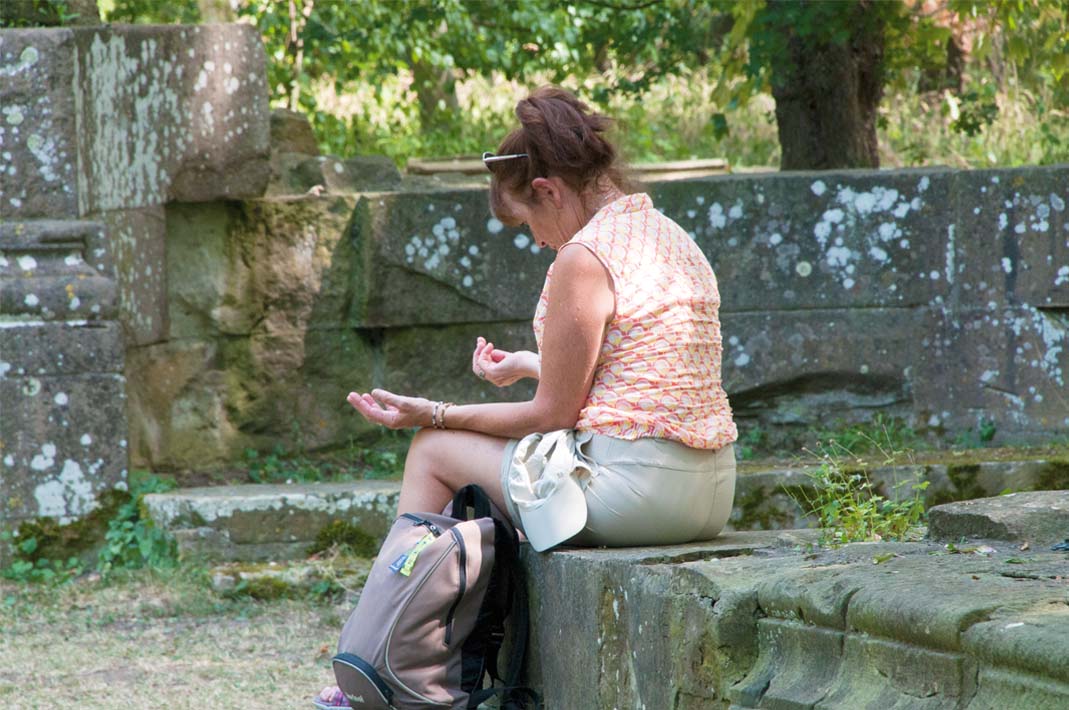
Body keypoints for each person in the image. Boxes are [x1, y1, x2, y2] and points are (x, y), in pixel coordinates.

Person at [347, 86, 737, 551]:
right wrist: (532, 364)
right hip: (712, 494)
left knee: (431, 449)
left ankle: (398, 610)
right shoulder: (668, 234)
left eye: (526, 223)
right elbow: (633, 380)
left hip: (639, 496)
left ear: (547, 191)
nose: (535, 241)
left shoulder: (585, 254)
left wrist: (435, 414)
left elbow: (553, 414)